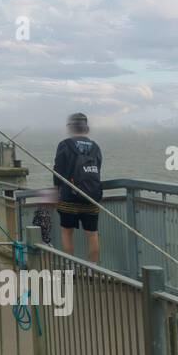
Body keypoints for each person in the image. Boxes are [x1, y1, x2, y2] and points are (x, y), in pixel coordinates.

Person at [53, 112, 102, 262]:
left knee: (67, 232)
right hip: (91, 196)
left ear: (70, 127)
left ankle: (70, 268)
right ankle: (93, 270)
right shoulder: (95, 147)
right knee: (92, 235)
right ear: (86, 128)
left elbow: (58, 170)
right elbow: (98, 168)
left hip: (69, 196)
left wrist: (57, 189)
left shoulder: (65, 145)